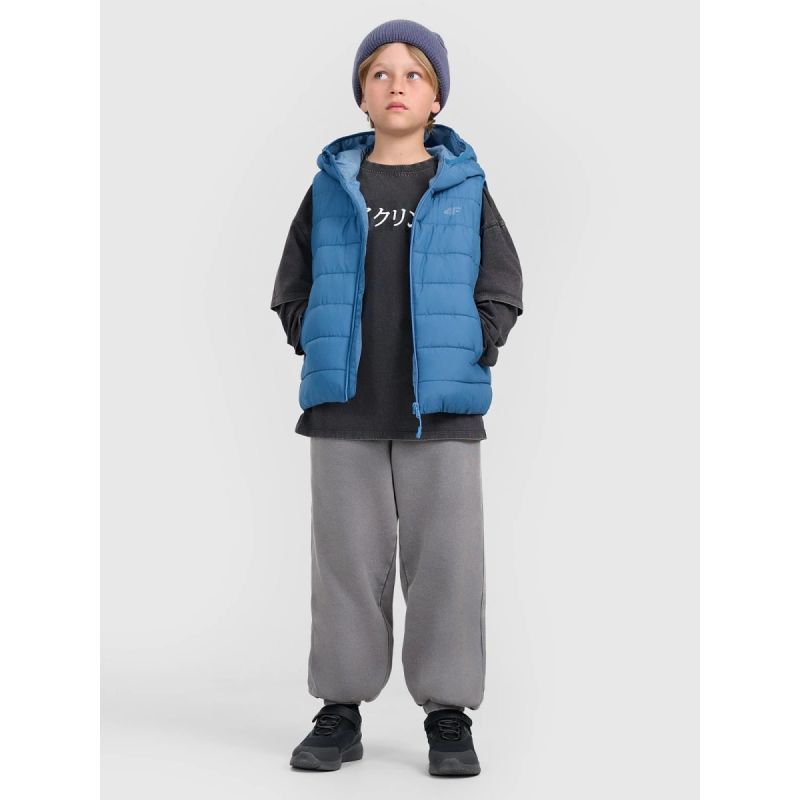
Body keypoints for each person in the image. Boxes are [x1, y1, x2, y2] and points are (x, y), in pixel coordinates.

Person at [271, 18, 524, 777]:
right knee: (345, 566)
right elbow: (292, 284)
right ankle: (340, 710)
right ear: (362, 95)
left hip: (441, 412)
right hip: (344, 409)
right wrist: (316, 343)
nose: (396, 86)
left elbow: (502, 284)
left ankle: (448, 714)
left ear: (436, 96)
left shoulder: (465, 187)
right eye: (379, 74)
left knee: (447, 565)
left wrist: (476, 345)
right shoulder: (331, 186)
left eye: (414, 74)